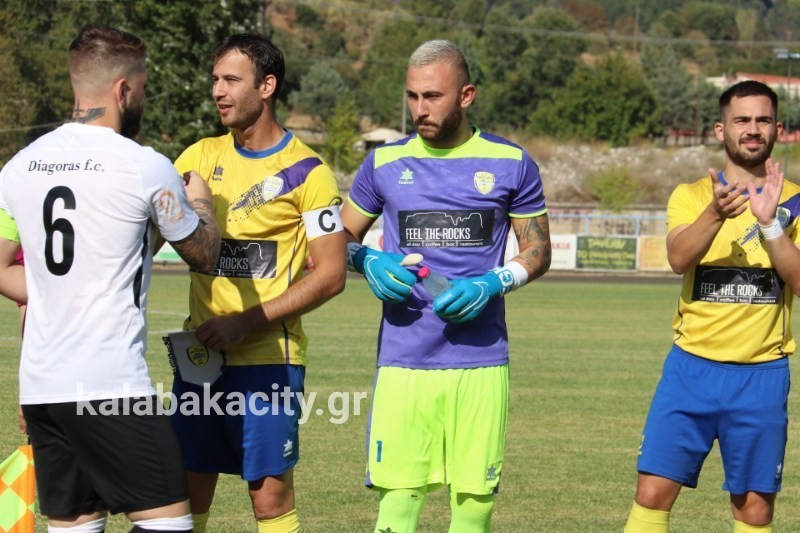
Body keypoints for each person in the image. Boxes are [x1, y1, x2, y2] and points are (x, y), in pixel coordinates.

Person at [0, 24, 221, 533]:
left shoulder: (20, 166)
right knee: (169, 523)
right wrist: (202, 202)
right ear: (123, 89)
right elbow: (204, 254)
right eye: (141, 88)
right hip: (108, 385)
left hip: (42, 390)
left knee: (75, 526)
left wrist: (59, 292)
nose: (141, 98)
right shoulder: (144, 166)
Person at [341, 39, 552, 533]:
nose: (420, 109)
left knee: (474, 507)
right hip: (403, 360)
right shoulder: (383, 163)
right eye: (412, 96)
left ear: (466, 95)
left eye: (433, 96)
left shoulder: (511, 162)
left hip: (480, 361)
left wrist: (494, 283)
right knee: (398, 503)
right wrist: (367, 260)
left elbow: (538, 250)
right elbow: (337, 240)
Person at [169, 33, 347, 533]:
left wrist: (244, 323)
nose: (217, 91)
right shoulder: (196, 158)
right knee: (184, 495)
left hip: (268, 360)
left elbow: (331, 274)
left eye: (231, 80)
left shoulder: (309, 172)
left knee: (269, 499)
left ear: (266, 86)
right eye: (215, 80)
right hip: (199, 359)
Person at [624, 80, 800, 532]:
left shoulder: (796, 201)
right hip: (691, 369)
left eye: (763, 120)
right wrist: (716, 213)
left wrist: (770, 225)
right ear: (722, 130)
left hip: (761, 374)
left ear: (778, 129)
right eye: (742, 120)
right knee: (651, 495)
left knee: (754, 510)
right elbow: (678, 259)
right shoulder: (692, 196)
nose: (753, 129)